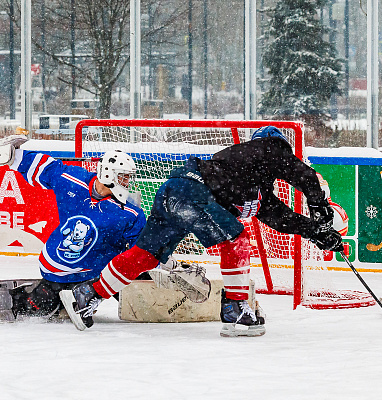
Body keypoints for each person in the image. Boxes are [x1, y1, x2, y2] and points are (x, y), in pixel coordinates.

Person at [61, 126, 343, 336]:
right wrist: (320, 207)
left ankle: (87, 294)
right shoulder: (269, 147)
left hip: (173, 192)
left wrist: (316, 232)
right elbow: (303, 174)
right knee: (237, 239)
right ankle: (235, 312)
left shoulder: (256, 187)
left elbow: (282, 218)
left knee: (146, 254)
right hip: (191, 192)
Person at [0, 134, 147, 321]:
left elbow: (144, 248)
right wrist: (13, 156)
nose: (128, 182)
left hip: (98, 275)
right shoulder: (74, 181)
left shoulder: (130, 212)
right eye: (124, 177)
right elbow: (46, 168)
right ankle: (24, 297)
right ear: (108, 175)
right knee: (39, 307)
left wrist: (160, 255)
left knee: (140, 284)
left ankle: (84, 295)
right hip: (59, 268)